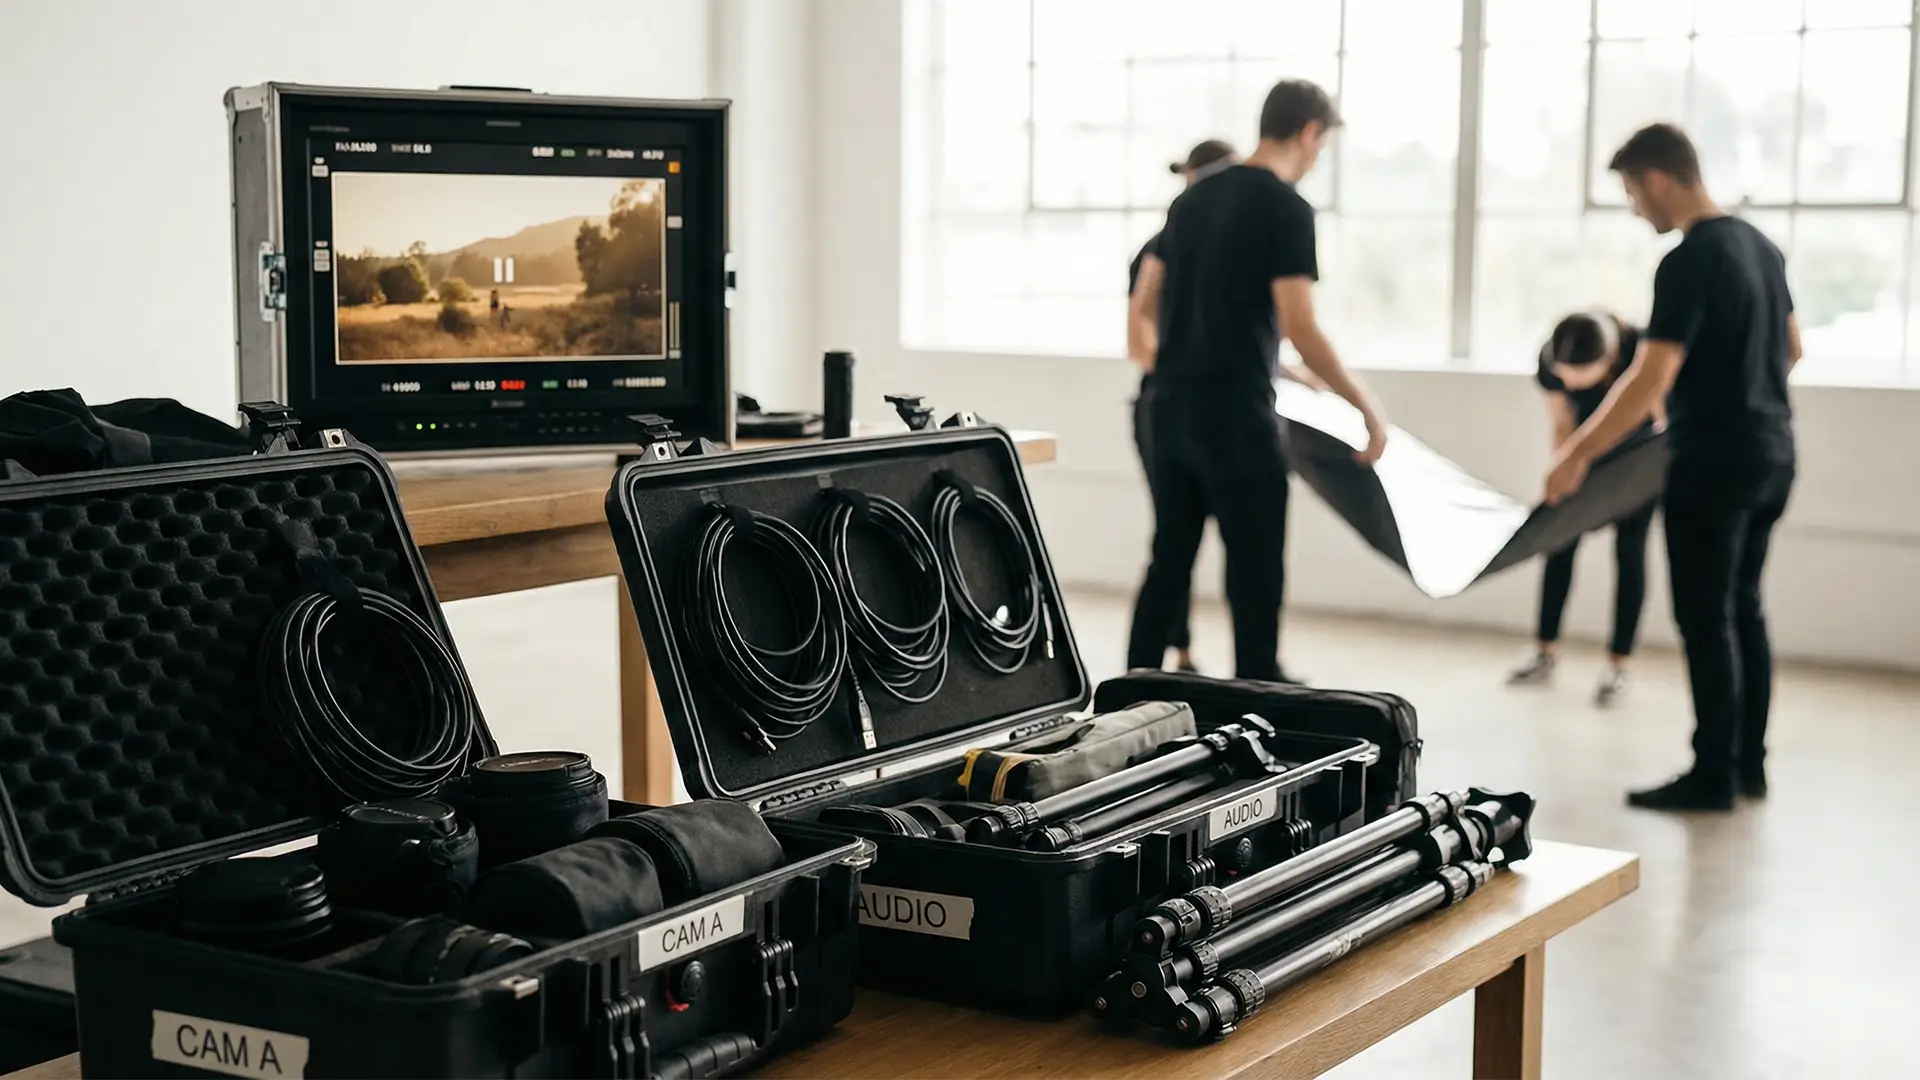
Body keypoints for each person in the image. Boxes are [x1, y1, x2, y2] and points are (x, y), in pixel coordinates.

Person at [1544, 123, 1800, 812]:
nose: (1634, 207)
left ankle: (1712, 773)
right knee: (1744, 607)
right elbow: (1793, 348)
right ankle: (1749, 764)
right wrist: (1740, 383)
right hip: (1774, 450)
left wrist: (1576, 455)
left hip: (1713, 459)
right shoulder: (1761, 247)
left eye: (1631, 192)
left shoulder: (1688, 260)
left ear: (1657, 178)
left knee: (1705, 616)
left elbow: (1648, 379)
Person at [1127, 79, 1389, 684]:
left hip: (1167, 409)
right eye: (1323, 146)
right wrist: (1366, 408)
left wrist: (1196, 350)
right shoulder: (1286, 208)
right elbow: (1301, 325)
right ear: (1309, 133)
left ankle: (1127, 699)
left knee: (1169, 560)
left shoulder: (1192, 199)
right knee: (1254, 571)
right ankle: (1259, 701)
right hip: (1235, 419)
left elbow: (1145, 304)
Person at [1508, 310, 1663, 706]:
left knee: (1630, 554)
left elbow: (1659, 419)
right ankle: (1545, 652)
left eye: (1581, 375)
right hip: (1581, 459)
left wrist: (1633, 482)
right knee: (1557, 545)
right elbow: (1561, 422)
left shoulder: (1640, 351)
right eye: (1564, 374)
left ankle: (1618, 665)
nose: (1570, 383)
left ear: (1610, 362)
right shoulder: (1549, 361)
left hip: (1635, 460)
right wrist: (1564, 472)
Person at [1127, 138, 1239, 675]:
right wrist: (1176, 378)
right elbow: (1141, 332)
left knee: (1179, 540)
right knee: (1175, 541)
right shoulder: (1163, 245)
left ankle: (1183, 651)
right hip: (1169, 406)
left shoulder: (1217, 246)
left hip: (1188, 402)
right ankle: (1157, 660)